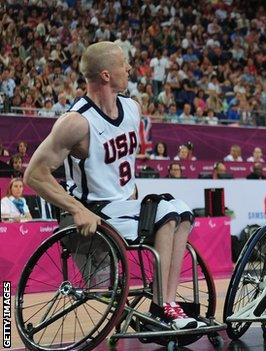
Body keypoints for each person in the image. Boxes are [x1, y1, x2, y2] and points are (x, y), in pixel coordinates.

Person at [24, 42, 204, 329]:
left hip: (123, 207)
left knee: (181, 212)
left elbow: (121, 166)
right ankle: (163, 307)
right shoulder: (77, 122)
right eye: (124, 63)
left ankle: (167, 302)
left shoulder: (132, 108)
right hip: (92, 211)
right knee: (167, 215)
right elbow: (34, 175)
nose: (130, 69)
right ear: (106, 75)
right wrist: (77, 209)